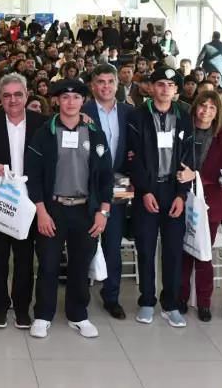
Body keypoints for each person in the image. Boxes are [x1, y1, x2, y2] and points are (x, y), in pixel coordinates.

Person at [25, 79, 113, 339]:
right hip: (53, 208)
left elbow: (106, 176)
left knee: (80, 265)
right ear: (56, 100)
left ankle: (78, 315)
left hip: (85, 210)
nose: (71, 102)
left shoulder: (94, 133)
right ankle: (43, 314)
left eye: (76, 98)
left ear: (83, 101)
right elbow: (33, 175)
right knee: (48, 264)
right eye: (65, 97)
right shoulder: (45, 132)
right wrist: (41, 211)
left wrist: (103, 211)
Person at [0, 73, 49, 329]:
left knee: (25, 259)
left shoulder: (42, 123)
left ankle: (21, 307)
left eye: (18, 94)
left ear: (27, 95)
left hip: (29, 203)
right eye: (7, 95)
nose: (13, 100)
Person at [129, 66, 196, 327]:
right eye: (160, 84)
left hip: (173, 190)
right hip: (147, 191)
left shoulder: (184, 117)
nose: (165, 89)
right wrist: (144, 191)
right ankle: (147, 301)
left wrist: (182, 195)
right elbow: (132, 156)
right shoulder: (138, 116)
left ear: (176, 90)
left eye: (170, 85)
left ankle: (171, 304)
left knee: (173, 250)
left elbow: (188, 157)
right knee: (146, 249)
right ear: (151, 88)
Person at [82, 64, 134, 320]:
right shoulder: (82, 111)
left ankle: (111, 297)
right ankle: (79, 296)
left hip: (118, 189)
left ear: (117, 84)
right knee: (85, 244)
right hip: (87, 188)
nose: (105, 86)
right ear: (93, 85)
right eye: (100, 82)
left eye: (110, 81)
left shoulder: (129, 112)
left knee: (113, 245)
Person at [178, 91, 222, 322]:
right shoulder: (183, 130)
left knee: (203, 254)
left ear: (217, 112)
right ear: (195, 107)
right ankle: (180, 297)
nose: (206, 111)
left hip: (210, 202)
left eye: (212, 107)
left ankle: (204, 302)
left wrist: (196, 175)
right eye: (203, 105)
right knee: (183, 253)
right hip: (182, 199)